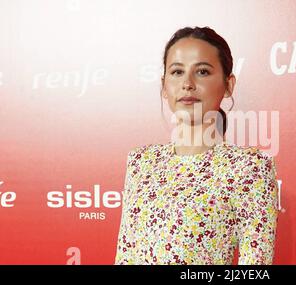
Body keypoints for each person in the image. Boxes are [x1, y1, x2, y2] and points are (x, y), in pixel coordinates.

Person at [115, 26, 279, 265]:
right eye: (177, 72)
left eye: (202, 71)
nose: (187, 84)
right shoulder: (141, 162)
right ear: (163, 86)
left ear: (229, 84)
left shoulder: (248, 168)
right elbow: (125, 255)